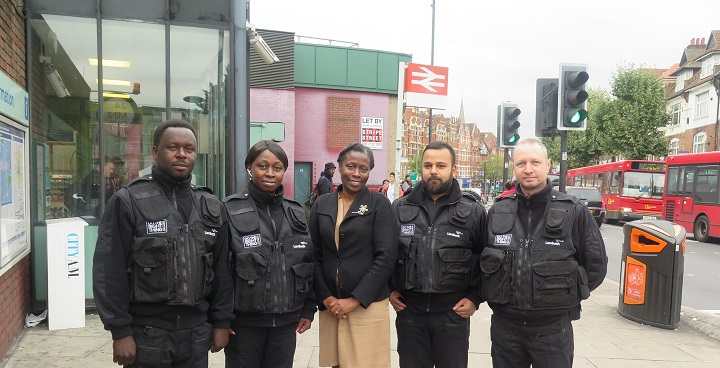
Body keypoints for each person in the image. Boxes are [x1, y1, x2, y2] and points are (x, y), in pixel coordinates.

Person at [93, 119, 234, 367]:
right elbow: (108, 271)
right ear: (156, 152)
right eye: (173, 148)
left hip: (196, 334)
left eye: (189, 149)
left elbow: (222, 269)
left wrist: (222, 321)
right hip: (148, 334)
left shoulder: (211, 206)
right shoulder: (128, 201)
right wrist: (120, 331)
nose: (181, 154)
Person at [482, 138, 608, 368]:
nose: (528, 169)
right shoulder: (499, 209)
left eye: (535, 162)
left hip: (552, 330)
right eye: (521, 163)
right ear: (514, 167)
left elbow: (596, 266)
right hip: (505, 327)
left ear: (548, 165)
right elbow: (483, 261)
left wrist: (563, 298)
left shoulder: (574, 211)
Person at [390, 141, 487, 368]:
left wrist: (475, 298)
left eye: (441, 165)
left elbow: (486, 259)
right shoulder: (399, 208)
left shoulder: (472, 211)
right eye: (428, 165)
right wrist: (388, 290)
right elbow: (386, 253)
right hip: (409, 313)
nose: (433, 171)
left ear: (454, 170)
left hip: (452, 315)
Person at [223, 140, 317, 367]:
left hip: (286, 325)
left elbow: (310, 262)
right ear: (249, 167)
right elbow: (220, 271)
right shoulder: (229, 209)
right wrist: (221, 318)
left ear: (284, 170)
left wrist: (308, 309)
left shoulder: (297, 212)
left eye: (277, 167)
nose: (270, 173)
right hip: (244, 325)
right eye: (262, 166)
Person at [308, 142, 398, 368]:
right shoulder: (322, 204)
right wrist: (326, 297)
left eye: (363, 168)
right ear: (339, 167)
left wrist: (355, 299)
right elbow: (314, 256)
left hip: (367, 305)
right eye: (350, 166)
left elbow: (386, 257)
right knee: (337, 363)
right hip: (332, 305)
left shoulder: (379, 204)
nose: (356, 173)